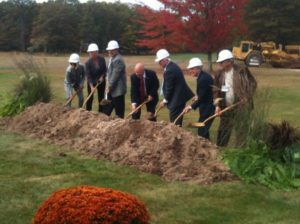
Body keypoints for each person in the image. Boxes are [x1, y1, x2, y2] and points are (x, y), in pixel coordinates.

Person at [214, 49, 257, 147]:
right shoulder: (219, 73)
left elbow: (253, 83)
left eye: (222, 62)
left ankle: (240, 151)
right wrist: (217, 105)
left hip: (242, 107)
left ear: (229, 61)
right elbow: (216, 90)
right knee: (223, 130)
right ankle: (221, 150)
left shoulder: (242, 70)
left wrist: (247, 96)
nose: (220, 64)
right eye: (220, 62)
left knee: (241, 130)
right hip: (226, 107)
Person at [155, 49, 194, 126]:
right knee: (176, 121)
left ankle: (177, 136)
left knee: (175, 123)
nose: (159, 63)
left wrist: (165, 100)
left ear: (165, 60)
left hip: (177, 100)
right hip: (178, 98)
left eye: (160, 61)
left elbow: (170, 88)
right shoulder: (172, 66)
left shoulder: (170, 70)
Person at [183, 58, 215, 139]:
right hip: (206, 107)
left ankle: (207, 148)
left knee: (202, 130)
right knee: (203, 129)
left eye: (192, 69)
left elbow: (202, 98)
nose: (190, 71)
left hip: (209, 108)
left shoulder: (203, 79)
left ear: (199, 68)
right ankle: (208, 146)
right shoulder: (203, 76)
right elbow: (205, 93)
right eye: (190, 69)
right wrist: (198, 96)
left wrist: (190, 107)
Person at [103, 40, 126, 118]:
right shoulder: (112, 58)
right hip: (111, 87)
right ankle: (104, 121)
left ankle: (120, 124)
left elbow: (115, 75)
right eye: (109, 50)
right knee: (108, 107)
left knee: (119, 109)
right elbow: (109, 72)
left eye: (112, 50)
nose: (110, 51)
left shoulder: (118, 60)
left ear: (116, 50)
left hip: (117, 89)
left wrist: (109, 86)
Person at [85, 43, 107, 112]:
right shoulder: (88, 62)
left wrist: (102, 76)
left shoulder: (102, 59)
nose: (90, 54)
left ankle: (101, 111)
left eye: (92, 52)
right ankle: (88, 111)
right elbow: (88, 76)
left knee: (101, 97)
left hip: (101, 81)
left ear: (96, 52)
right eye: (89, 52)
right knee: (90, 97)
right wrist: (91, 86)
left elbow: (105, 70)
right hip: (92, 81)